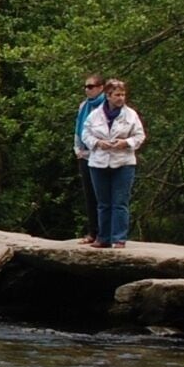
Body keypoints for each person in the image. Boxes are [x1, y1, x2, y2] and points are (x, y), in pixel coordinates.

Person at [80, 78, 147, 249]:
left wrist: (126, 143)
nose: (121, 98)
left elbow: (140, 136)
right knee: (103, 203)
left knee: (120, 202)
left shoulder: (131, 115)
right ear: (108, 96)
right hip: (99, 162)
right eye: (117, 95)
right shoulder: (94, 115)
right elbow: (85, 135)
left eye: (123, 94)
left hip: (123, 162)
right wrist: (97, 143)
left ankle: (119, 238)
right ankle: (103, 238)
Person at [72, 72, 106, 243]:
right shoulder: (83, 106)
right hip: (85, 155)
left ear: (101, 88)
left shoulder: (107, 106)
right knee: (89, 195)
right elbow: (79, 127)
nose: (87, 90)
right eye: (85, 87)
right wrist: (77, 148)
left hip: (101, 155)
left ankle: (106, 233)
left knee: (104, 196)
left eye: (91, 86)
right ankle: (92, 232)